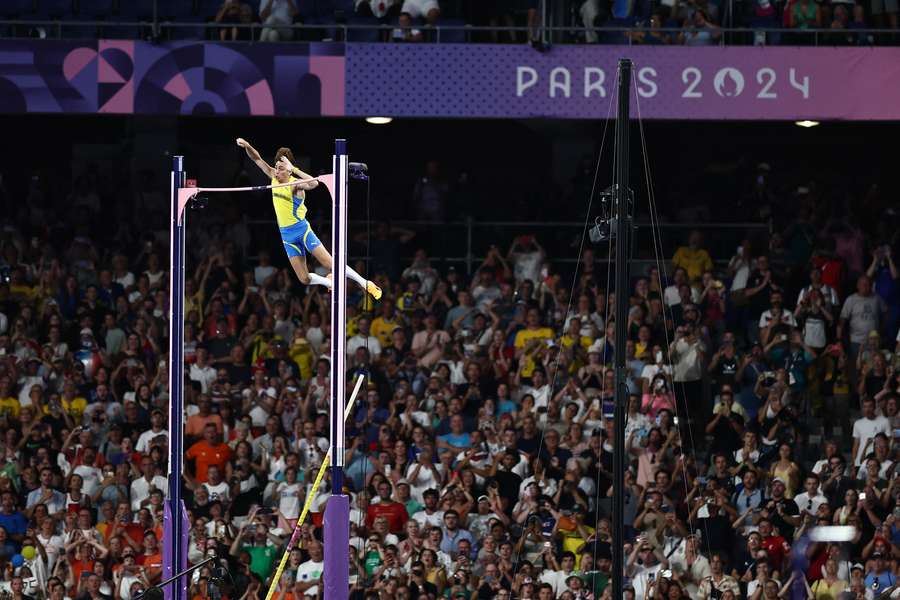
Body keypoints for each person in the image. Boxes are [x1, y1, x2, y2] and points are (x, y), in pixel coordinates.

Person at [236, 138, 382, 300]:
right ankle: (329, 283)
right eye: (276, 167)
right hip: (287, 236)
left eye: (281, 168)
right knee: (304, 278)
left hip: (302, 231)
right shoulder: (273, 177)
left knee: (330, 264)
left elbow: (314, 184)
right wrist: (248, 146)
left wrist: (295, 169)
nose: (276, 171)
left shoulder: (296, 184)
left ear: (289, 170)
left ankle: (365, 283)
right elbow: (257, 159)